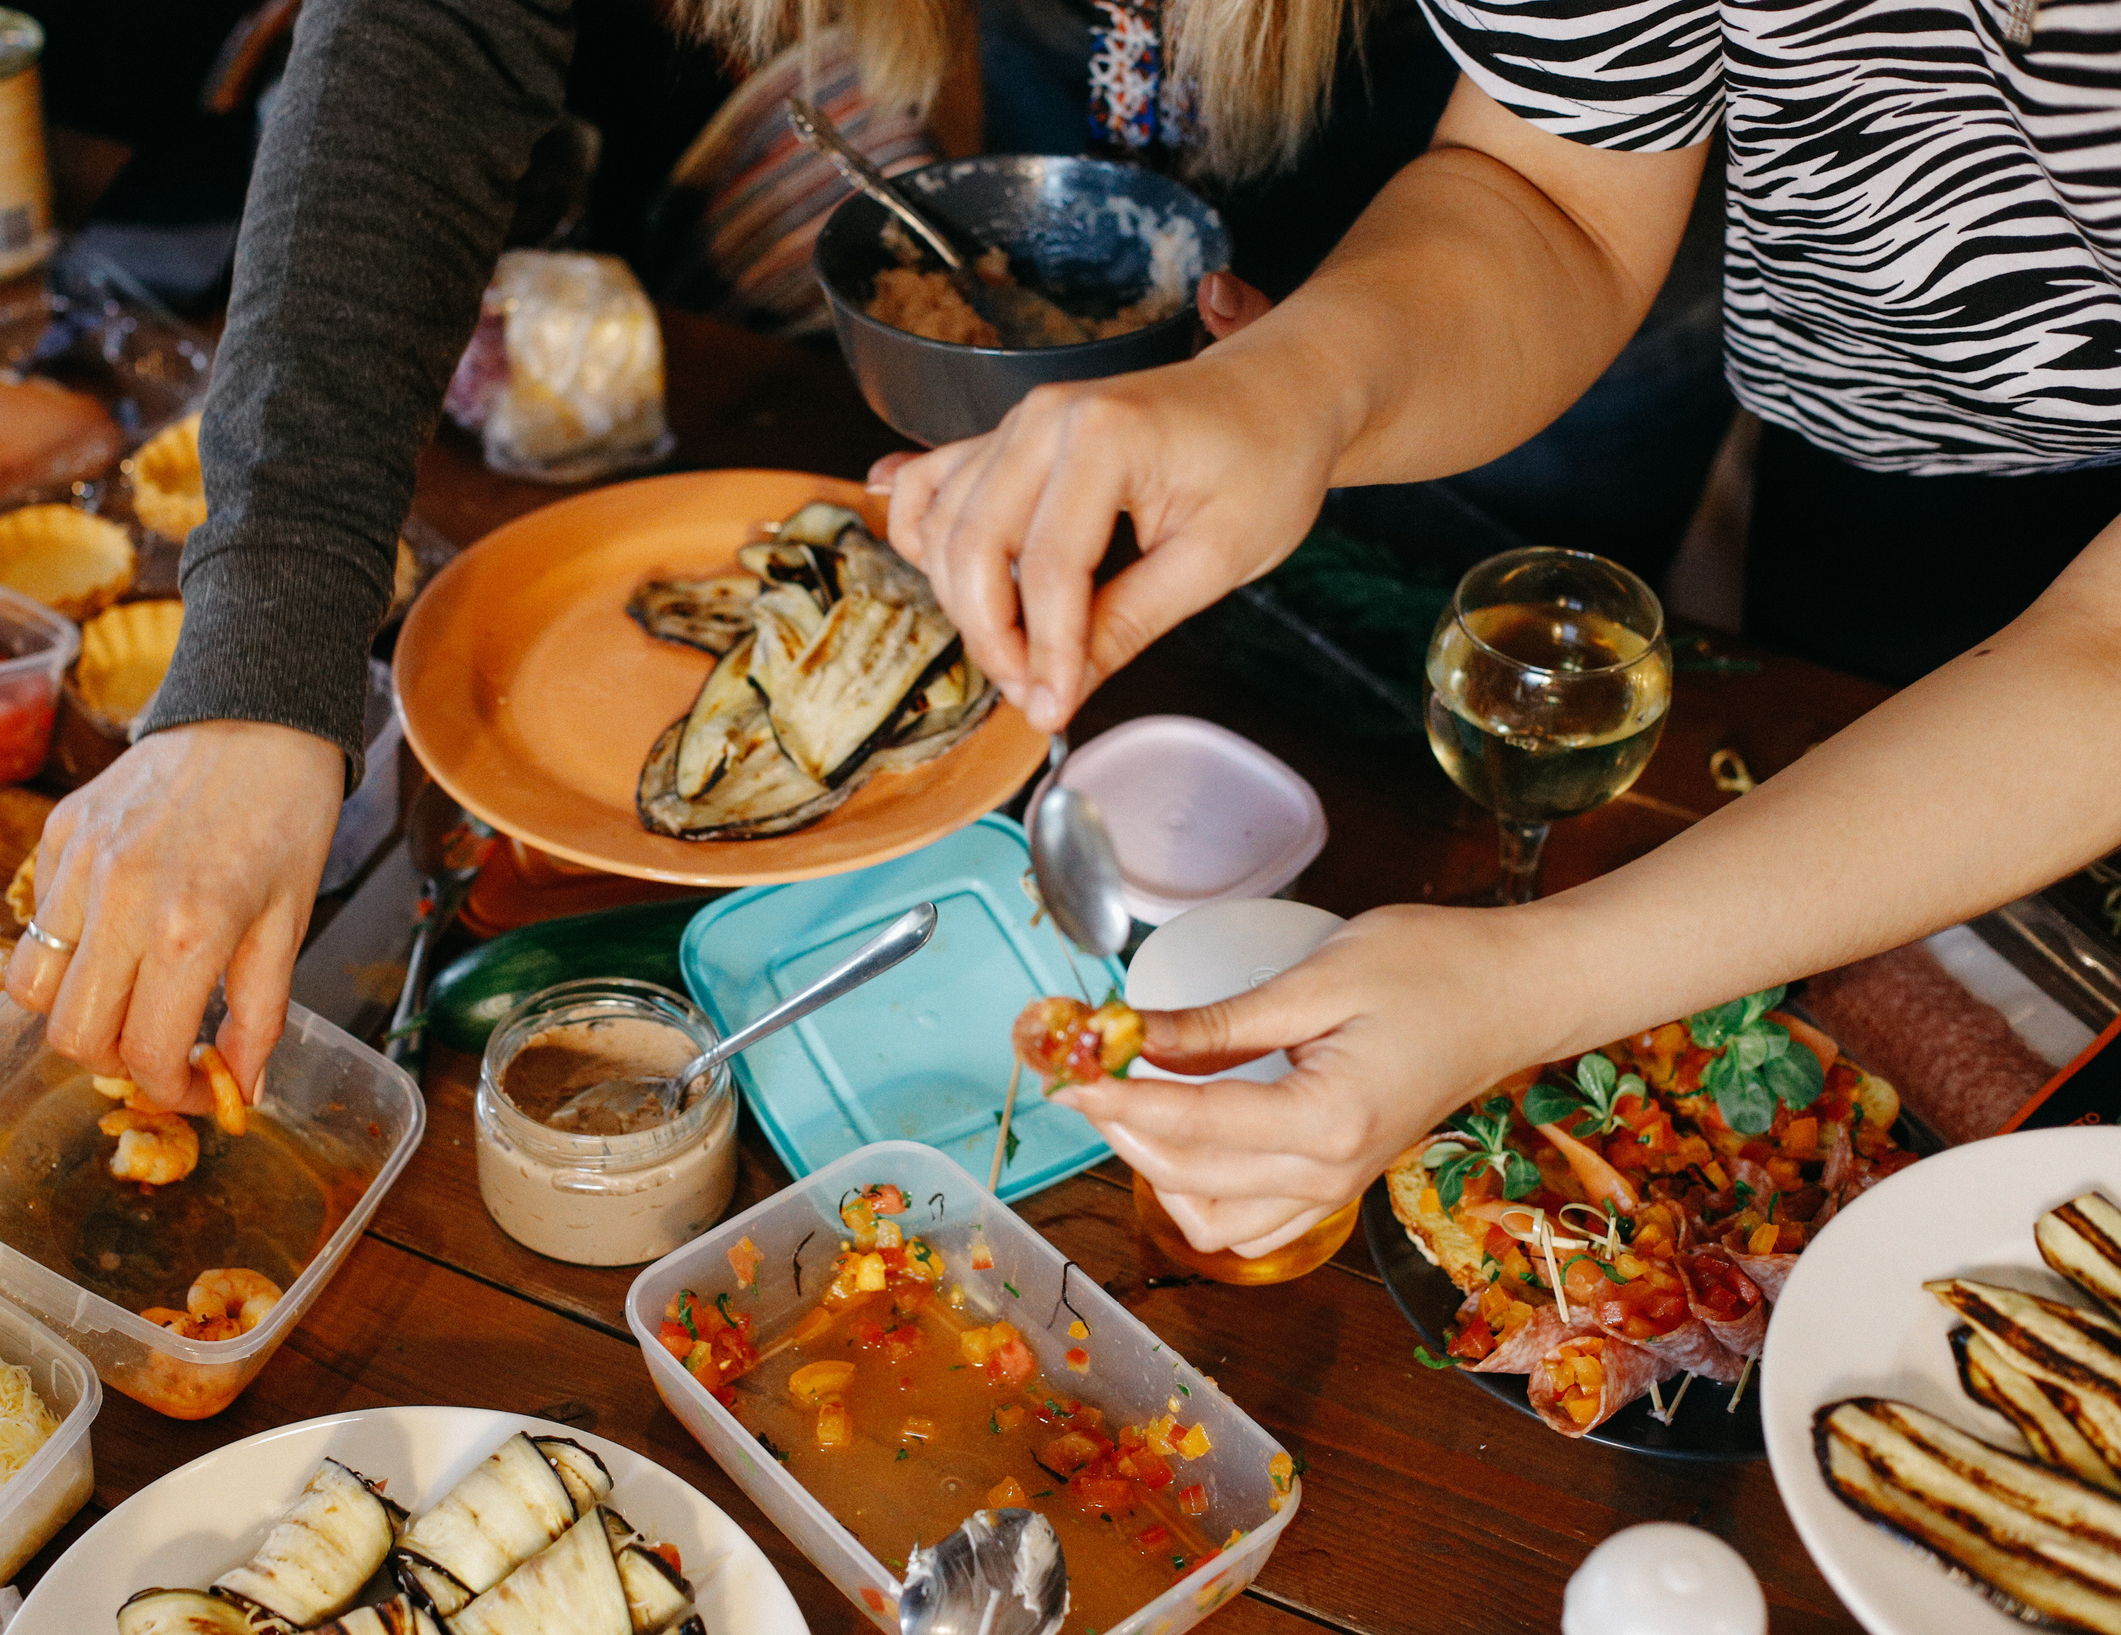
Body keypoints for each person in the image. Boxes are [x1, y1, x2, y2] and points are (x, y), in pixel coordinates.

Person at [881, 3, 2121, 1252]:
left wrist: (1531, 983)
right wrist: (1291, 390)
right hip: (1884, 396)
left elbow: (2101, 657)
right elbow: (1557, 185)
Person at [3, 0, 1372, 1112]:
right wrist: (259, 662)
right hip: (1030, 440)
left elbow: (1554, 201)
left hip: (1464, 441)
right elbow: (437, 30)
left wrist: (1310, 389)